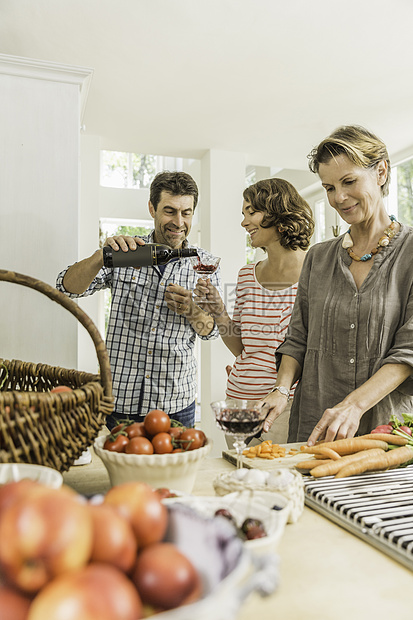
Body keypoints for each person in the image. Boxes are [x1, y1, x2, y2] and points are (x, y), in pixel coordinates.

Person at [259, 125, 413, 446]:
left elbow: (408, 351)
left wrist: (352, 406)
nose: (338, 198)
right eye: (329, 187)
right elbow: (297, 337)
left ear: (381, 172)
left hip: (384, 432)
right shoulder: (318, 257)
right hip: (315, 426)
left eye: (349, 181)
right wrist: (280, 389)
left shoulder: (409, 253)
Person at [56, 171, 221, 429]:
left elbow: (211, 331)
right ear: (151, 208)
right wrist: (102, 255)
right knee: (120, 468)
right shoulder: (126, 252)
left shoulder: (205, 264)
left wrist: (192, 310)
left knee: (175, 470)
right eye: (169, 211)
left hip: (175, 402)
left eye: (186, 212)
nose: (179, 222)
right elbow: (66, 287)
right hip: (119, 399)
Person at [194, 177, 314, 443]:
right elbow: (241, 348)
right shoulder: (248, 274)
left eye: (252, 212)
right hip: (238, 403)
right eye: (243, 214)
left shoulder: (315, 271)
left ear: (279, 213)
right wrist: (219, 312)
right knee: (241, 475)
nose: (244, 222)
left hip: (285, 406)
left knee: (275, 480)